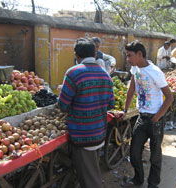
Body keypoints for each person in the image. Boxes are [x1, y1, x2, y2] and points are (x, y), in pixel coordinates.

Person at [58, 38, 114, 188]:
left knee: (90, 179)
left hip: (82, 136)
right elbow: (110, 105)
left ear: (76, 54)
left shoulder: (73, 73)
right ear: (94, 53)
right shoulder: (106, 75)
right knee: (92, 170)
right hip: (99, 133)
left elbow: (63, 106)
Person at [119, 40, 173, 188]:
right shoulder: (135, 70)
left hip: (155, 119)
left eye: (129, 56)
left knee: (155, 155)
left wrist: (157, 117)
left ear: (140, 54)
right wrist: (125, 110)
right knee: (134, 152)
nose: (128, 59)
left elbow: (169, 97)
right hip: (142, 118)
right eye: (127, 56)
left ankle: (153, 184)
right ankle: (138, 179)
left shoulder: (155, 72)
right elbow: (131, 90)